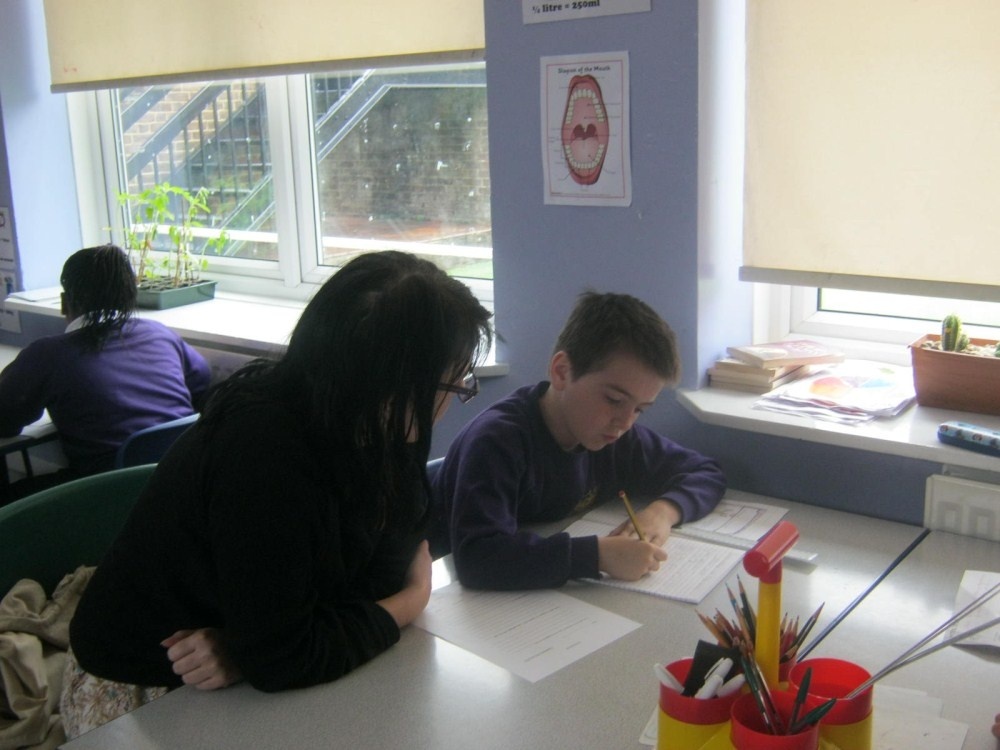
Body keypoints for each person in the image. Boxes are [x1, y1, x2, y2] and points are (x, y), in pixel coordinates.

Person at [63, 251, 492, 737]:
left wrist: (262, 643)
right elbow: (285, 655)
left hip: (240, 659)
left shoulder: (380, 427)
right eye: (453, 382)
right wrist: (411, 601)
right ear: (390, 383)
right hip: (144, 680)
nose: (454, 396)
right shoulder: (263, 449)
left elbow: (381, 572)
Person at [432, 291, 726, 590]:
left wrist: (661, 513)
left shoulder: (614, 437)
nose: (625, 422)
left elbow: (704, 471)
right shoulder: (497, 442)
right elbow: (478, 557)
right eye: (614, 400)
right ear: (562, 372)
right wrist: (597, 556)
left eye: (639, 409)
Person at [0, 244, 210, 498]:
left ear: (66, 301)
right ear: (131, 295)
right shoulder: (161, 335)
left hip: (107, 493)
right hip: (181, 483)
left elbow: (5, 421)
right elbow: (201, 386)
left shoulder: (48, 354)